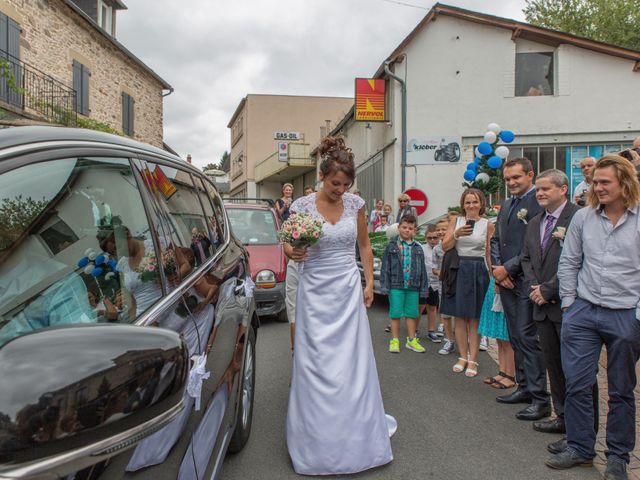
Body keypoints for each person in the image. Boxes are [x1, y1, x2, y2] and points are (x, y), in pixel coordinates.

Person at [284, 136, 394, 475]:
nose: (340, 190)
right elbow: (288, 246)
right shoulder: (300, 208)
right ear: (322, 176)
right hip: (314, 289)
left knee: (352, 361)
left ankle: (357, 431)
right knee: (316, 362)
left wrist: (370, 282)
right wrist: (293, 252)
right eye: (335, 183)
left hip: (347, 287)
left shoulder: (355, 205)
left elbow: (363, 246)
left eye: (346, 184)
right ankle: (316, 438)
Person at [547, 156, 640, 480]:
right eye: (595, 183)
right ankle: (581, 448)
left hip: (626, 314)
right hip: (584, 311)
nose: (597, 187)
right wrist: (571, 306)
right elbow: (569, 262)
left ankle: (618, 457)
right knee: (578, 384)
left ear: (624, 182)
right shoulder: (584, 218)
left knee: (621, 390)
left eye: (604, 182)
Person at [520, 169, 583, 437]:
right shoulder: (535, 222)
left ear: (563, 189)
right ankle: (562, 416)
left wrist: (548, 289)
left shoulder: (578, 218)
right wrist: (534, 287)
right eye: (538, 189)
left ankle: (580, 430)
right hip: (541, 305)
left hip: (567, 304)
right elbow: (526, 258)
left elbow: (579, 260)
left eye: (546, 188)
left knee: (577, 372)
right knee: (553, 366)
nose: (541, 193)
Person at [491, 157, 550, 420]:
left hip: (525, 279)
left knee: (528, 338)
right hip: (505, 280)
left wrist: (509, 269)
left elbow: (534, 243)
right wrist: (497, 269)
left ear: (530, 175)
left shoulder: (537, 202)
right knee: (515, 336)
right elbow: (495, 239)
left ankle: (540, 396)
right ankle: (524, 387)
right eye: (508, 179)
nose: (512, 183)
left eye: (516, 177)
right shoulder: (506, 205)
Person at [441, 189, 493, 377]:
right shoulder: (456, 221)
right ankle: (462, 356)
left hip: (478, 270)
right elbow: (445, 247)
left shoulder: (488, 224)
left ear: (481, 204)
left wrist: (494, 276)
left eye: (475, 202)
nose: (471, 206)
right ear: (463, 204)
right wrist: (455, 235)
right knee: (459, 316)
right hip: (458, 269)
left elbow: (488, 252)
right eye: (468, 202)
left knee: (475, 318)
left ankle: (473, 359)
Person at [380, 214, 429, 353]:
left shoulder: (418, 248)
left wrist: (423, 288)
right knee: (395, 314)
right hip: (396, 285)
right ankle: (394, 340)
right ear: (399, 227)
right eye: (404, 227)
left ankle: (411, 340)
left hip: (413, 286)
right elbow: (385, 267)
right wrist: (385, 285)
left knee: (411, 314)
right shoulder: (391, 246)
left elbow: (422, 270)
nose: (407, 230)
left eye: (410, 228)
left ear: (415, 230)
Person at [285, 186, 316, 350]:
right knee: (294, 313)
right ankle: (296, 356)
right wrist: (291, 252)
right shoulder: (296, 214)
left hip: (318, 269)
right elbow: (286, 242)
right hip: (296, 267)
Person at [478, 275, 515, 389]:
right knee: (499, 337)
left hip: (507, 281)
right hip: (496, 282)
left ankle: (510, 375)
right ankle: (502, 372)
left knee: (506, 336)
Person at [433, 216, 456, 355]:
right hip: (444, 283)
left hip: (457, 282)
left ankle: (466, 342)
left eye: (444, 229)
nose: (441, 232)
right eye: (438, 230)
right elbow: (434, 268)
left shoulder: (457, 244)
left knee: (460, 315)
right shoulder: (437, 249)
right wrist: (441, 272)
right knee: (446, 314)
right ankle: (449, 340)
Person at [419, 224, 441, 343]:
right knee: (420, 307)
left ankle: (431, 330)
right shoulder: (421, 248)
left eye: (435, 237)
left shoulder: (442, 248)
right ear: (425, 238)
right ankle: (415, 330)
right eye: (429, 238)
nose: (432, 240)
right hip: (423, 282)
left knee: (433, 307)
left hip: (436, 283)